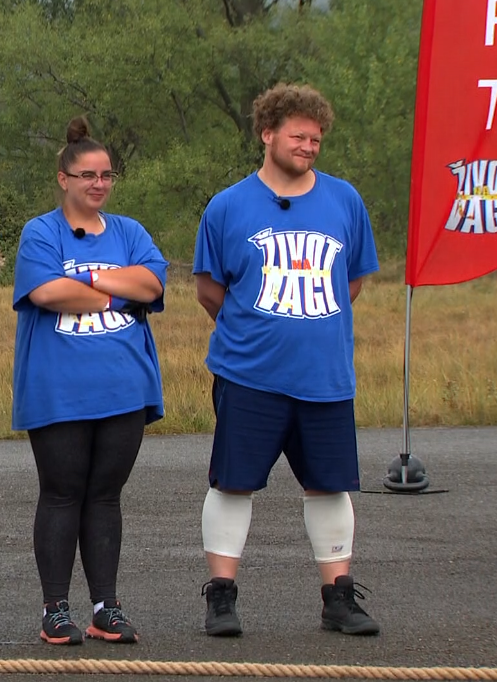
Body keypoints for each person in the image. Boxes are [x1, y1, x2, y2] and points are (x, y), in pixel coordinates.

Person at [192, 84, 381, 638]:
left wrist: (307, 322)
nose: (308, 146)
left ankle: (338, 598)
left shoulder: (344, 200)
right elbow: (208, 288)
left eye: (316, 138)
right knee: (233, 483)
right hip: (249, 374)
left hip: (324, 376)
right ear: (267, 133)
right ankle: (221, 597)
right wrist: (259, 324)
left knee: (329, 483)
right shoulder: (228, 205)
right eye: (298, 135)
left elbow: (353, 281)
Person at [12, 117, 168, 646]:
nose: (98, 184)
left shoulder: (130, 232)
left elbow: (151, 282)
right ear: (63, 178)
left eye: (106, 175)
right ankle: (56, 609)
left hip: (124, 388)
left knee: (105, 496)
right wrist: (117, 292)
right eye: (87, 175)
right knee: (61, 494)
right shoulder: (41, 232)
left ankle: (106, 607)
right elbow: (46, 294)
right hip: (59, 390)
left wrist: (86, 277)